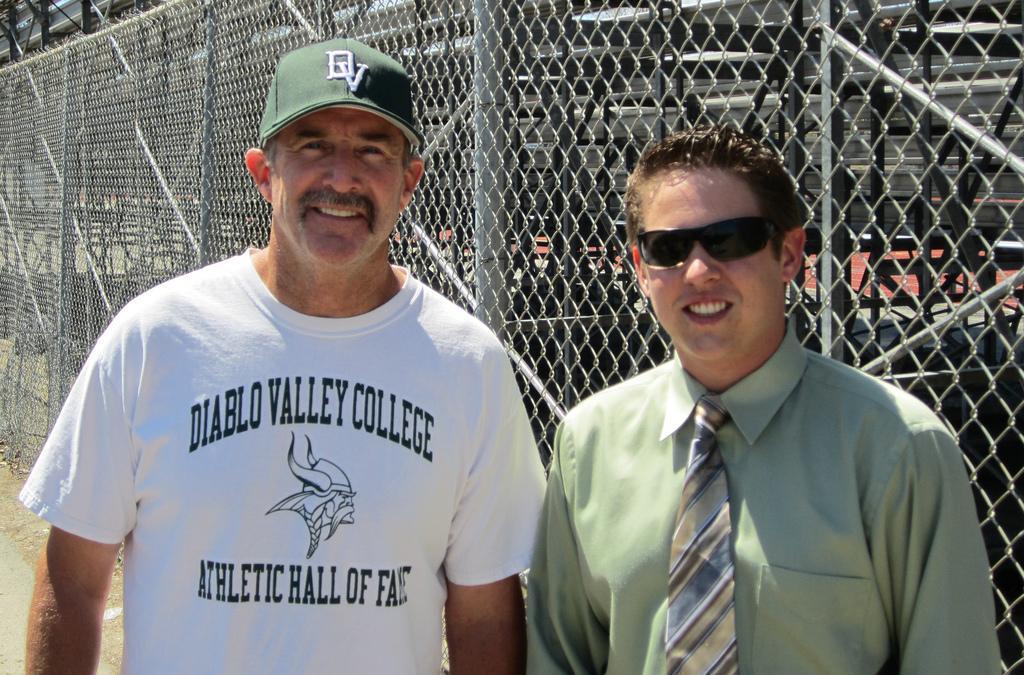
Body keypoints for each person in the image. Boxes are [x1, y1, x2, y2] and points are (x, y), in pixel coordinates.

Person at [21, 37, 544, 674]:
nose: (342, 176)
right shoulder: (157, 338)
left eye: (372, 149)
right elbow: (73, 578)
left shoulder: (469, 365)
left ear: (410, 181)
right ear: (263, 171)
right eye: (313, 145)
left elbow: (484, 610)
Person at [526, 125, 1000, 673]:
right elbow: (559, 655)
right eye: (670, 248)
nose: (699, 271)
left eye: (731, 239)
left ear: (790, 254)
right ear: (640, 267)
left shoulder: (898, 449)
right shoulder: (589, 443)